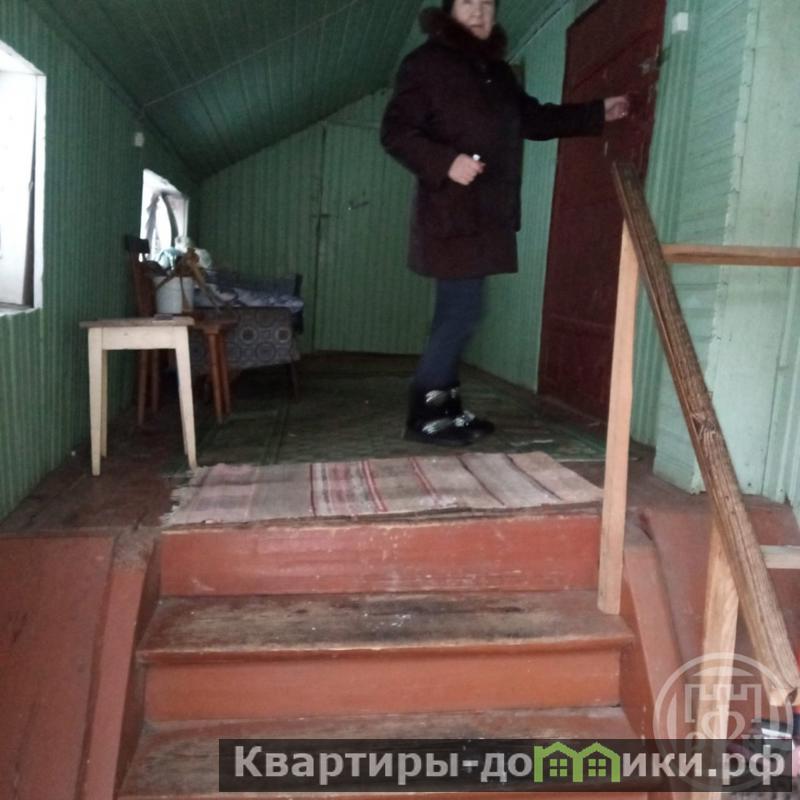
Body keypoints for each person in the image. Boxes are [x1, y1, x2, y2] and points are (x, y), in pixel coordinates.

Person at [381, 0, 630, 446]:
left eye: (487, 4)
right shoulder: (426, 63)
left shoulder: (495, 71)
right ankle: (425, 415)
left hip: (487, 213)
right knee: (461, 311)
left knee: (459, 312)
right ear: (449, 10)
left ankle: (447, 408)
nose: (478, 12)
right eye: (467, 3)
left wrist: (597, 113)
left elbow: (532, 119)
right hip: (451, 213)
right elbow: (395, 132)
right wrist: (446, 162)